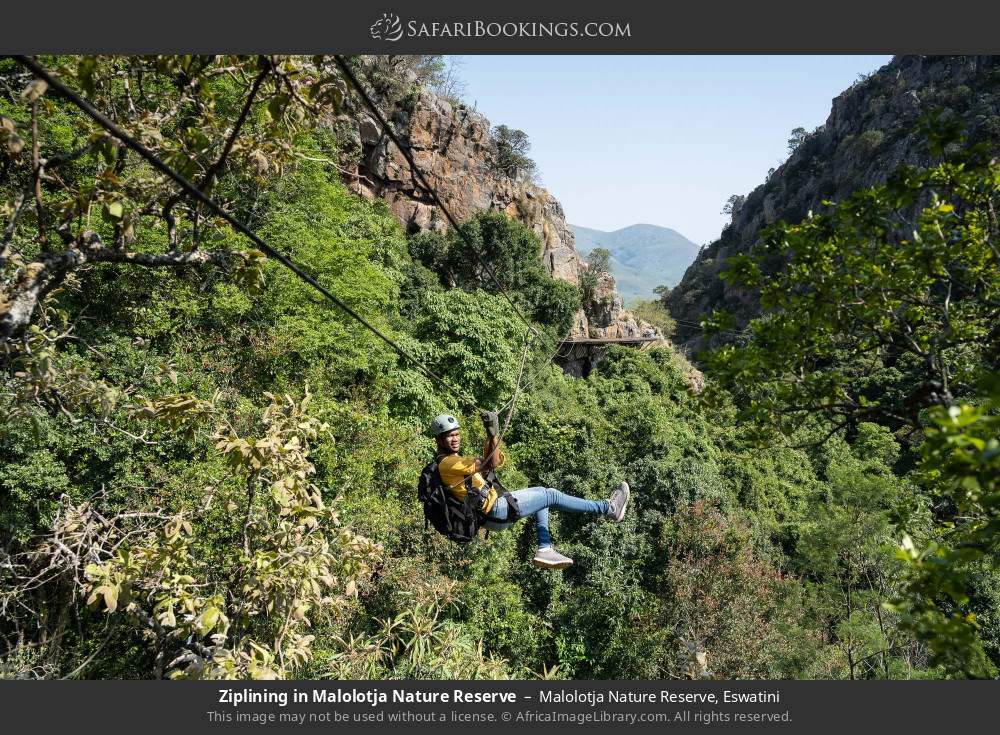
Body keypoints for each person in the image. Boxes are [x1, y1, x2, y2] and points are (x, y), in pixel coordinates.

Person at [429, 411, 630, 570]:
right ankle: (609, 508)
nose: (455, 439)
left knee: (542, 495)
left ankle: (544, 548)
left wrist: (492, 436)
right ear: (439, 440)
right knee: (549, 495)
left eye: (456, 434)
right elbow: (488, 463)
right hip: (495, 510)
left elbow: (495, 462)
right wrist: (492, 434)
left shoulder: (453, 462)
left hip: (490, 515)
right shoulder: (449, 463)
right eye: (449, 436)